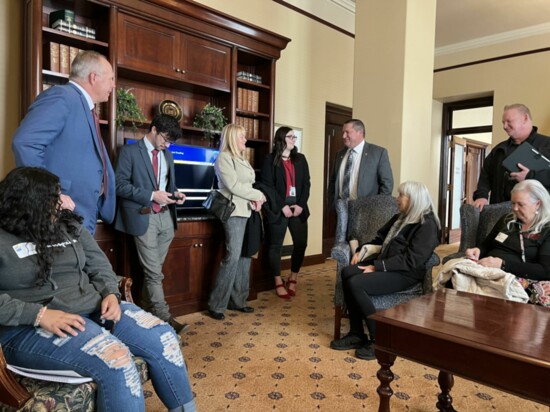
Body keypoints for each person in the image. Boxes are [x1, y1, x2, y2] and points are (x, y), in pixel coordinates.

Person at [0, 167, 195, 412]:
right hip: (26, 328)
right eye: (54, 197)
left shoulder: (68, 226)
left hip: (92, 309)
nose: (63, 203)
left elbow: (99, 264)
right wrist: (38, 315)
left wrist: (111, 294)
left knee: (164, 336)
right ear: (30, 203)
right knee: (117, 359)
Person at [330, 181, 440, 360]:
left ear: (413, 199)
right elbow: (379, 238)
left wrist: (376, 267)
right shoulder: (401, 217)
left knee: (357, 284)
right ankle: (357, 334)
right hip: (387, 264)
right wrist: (360, 250)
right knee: (347, 272)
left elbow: (412, 260)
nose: (397, 199)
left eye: (401, 196)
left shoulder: (427, 224)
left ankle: (379, 339)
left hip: (405, 273)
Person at [12, 50, 116, 235]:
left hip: (81, 212)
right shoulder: (63, 96)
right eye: (111, 79)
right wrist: (51, 194)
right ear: (94, 77)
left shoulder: (85, 107)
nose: (113, 85)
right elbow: (25, 143)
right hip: (59, 212)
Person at [115, 114, 188, 333]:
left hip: (166, 217)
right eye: (165, 139)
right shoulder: (129, 152)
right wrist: (151, 195)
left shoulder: (168, 155)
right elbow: (119, 185)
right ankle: (165, 318)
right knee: (155, 273)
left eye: (171, 142)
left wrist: (175, 194)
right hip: (143, 216)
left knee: (154, 270)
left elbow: (166, 185)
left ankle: (144, 309)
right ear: (154, 130)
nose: (167, 145)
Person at [208, 124, 266, 320]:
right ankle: (217, 304)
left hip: (248, 211)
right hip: (233, 213)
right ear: (233, 139)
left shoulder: (242, 159)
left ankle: (238, 301)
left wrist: (255, 200)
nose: (245, 140)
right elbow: (233, 186)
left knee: (245, 256)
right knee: (232, 257)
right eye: (242, 137)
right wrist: (258, 194)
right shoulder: (224, 158)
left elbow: (246, 185)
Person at [466, 179, 550, 287]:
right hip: (486, 271)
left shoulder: (547, 228)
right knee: (452, 275)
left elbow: (546, 271)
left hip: (514, 278)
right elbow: (486, 245)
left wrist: (503, 265)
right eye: (513, 203)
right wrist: (477, 250)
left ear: (537, 204)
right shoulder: (507, 219)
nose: (514, 208)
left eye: (520, 204)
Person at [259, 126, 311, 299]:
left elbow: (306, 184)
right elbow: (267, 186)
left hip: (298, 208)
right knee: (275, 246)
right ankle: (277, 281)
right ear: (281, 139)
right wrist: (282, 206)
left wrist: (301, 204)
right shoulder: (269, 160)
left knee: (301, 244)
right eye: (290, 137)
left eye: (295, 137)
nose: (293, 139)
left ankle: (293, 277)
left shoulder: (300, 159)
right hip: (278, 209)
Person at [473, 104, 550, 211]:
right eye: (503, 122)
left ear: (525, 118)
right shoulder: (499, 149)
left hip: (539, 217)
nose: (504, 126)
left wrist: (530, 176)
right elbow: (485, 175)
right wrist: (482, 196)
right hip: (500, 216)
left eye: (509, 121)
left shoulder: (547, 145)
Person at [328, 119, 393, 208]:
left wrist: (378, 208)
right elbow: (333, 181)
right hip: (341, 209)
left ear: (360, 132)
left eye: (347, 132)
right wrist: (332, 202)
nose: (343, 136)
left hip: (367, 211)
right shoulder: (340, 154)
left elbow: (387, 184)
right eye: (343, 132)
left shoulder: (378, 153)